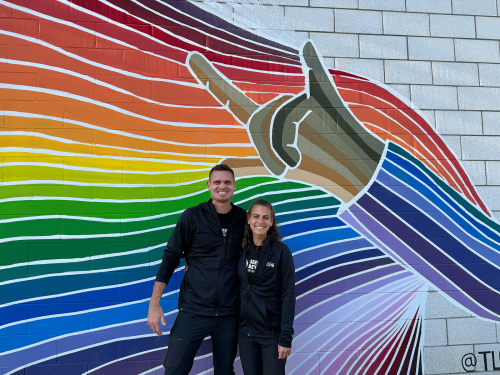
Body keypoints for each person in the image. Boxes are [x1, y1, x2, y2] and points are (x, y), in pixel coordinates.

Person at [147, 164, 247, 375]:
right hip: (193, 312)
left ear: (235, 186)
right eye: (217, 182)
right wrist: (154, 304)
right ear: (209, 185)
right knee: (174, 369)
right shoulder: (192, 216)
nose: (222, 186)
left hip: (229, 314)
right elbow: (170, 258)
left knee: (225, 371)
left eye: (227, 182)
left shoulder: (244, 220)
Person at [238, 199, 296, 375]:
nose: (260, 221)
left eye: (265, 217)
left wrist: (285, 339)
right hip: (245, 334)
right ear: (248, 219)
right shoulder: (240, 250)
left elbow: (288, 296)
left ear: (272, 222)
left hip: (271, 336)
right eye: (256, 216)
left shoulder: (281, 252)